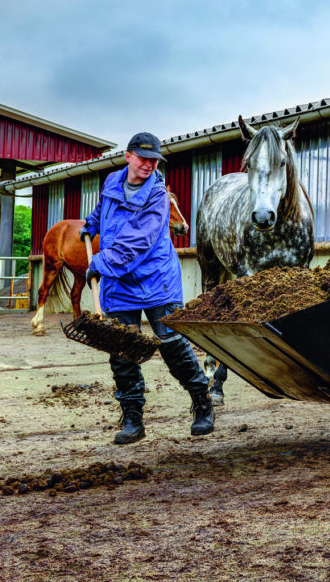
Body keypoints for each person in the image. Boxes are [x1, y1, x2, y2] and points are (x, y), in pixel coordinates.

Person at [81, 132, 214, 445]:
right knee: (122, 350)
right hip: (120, 283)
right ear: (128, 156)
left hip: (156, 280)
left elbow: (137, 240)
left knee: (173, 347)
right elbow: (104, 211)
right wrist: (92, 224)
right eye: (143, 158)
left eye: (155, 160)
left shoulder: (157, 195)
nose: (150, 165)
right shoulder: (112, 182)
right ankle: (132, 419)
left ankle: (202, 402)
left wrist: (100, 263)